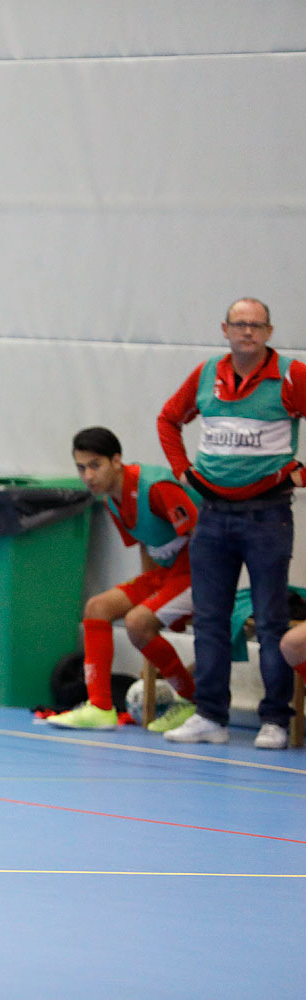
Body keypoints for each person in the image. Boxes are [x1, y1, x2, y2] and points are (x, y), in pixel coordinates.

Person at [156, 297, 305, 749]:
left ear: (269, 332)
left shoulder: (291, 376)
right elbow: (168, 419)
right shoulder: (206, 375)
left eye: (256, 326)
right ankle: (210, 716)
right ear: (224, 329)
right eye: (239, 325)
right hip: (213, 517)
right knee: (211, 619)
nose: (247, 333)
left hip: (268, 517)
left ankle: (276, 720)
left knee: (272, 621)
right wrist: (182, 470)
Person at [46, 427, 200, 732]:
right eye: (81, 468)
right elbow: (146, 545)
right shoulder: (112, 500)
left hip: (201, 572)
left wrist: (181, 603)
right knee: (97, 608)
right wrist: (153, 598)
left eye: (95, 465)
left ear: (117, 461)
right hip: (167, 573)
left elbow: (202, 538)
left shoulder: (156, 489)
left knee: (137, 623)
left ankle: (193, 698)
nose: (88, 476)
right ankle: (100, 707)